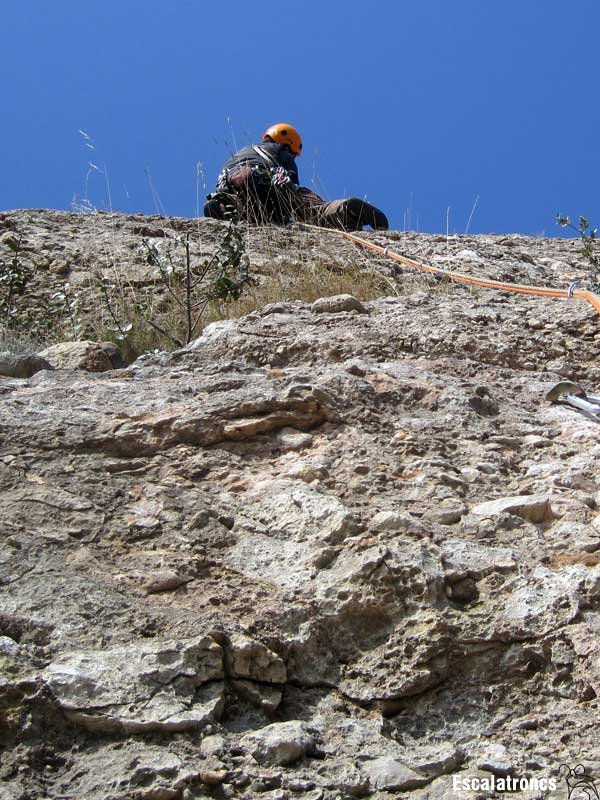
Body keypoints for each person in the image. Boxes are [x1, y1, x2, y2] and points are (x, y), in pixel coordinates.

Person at [204, 123, 388, 231]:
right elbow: (289, 183)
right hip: (267, 187)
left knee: (240, 212)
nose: (292, 157)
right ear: (288, 143)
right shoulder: (280, 150)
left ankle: (221, 210)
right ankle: (346, 209)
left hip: (235, 194)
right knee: (311, 209)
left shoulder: (237, 155)